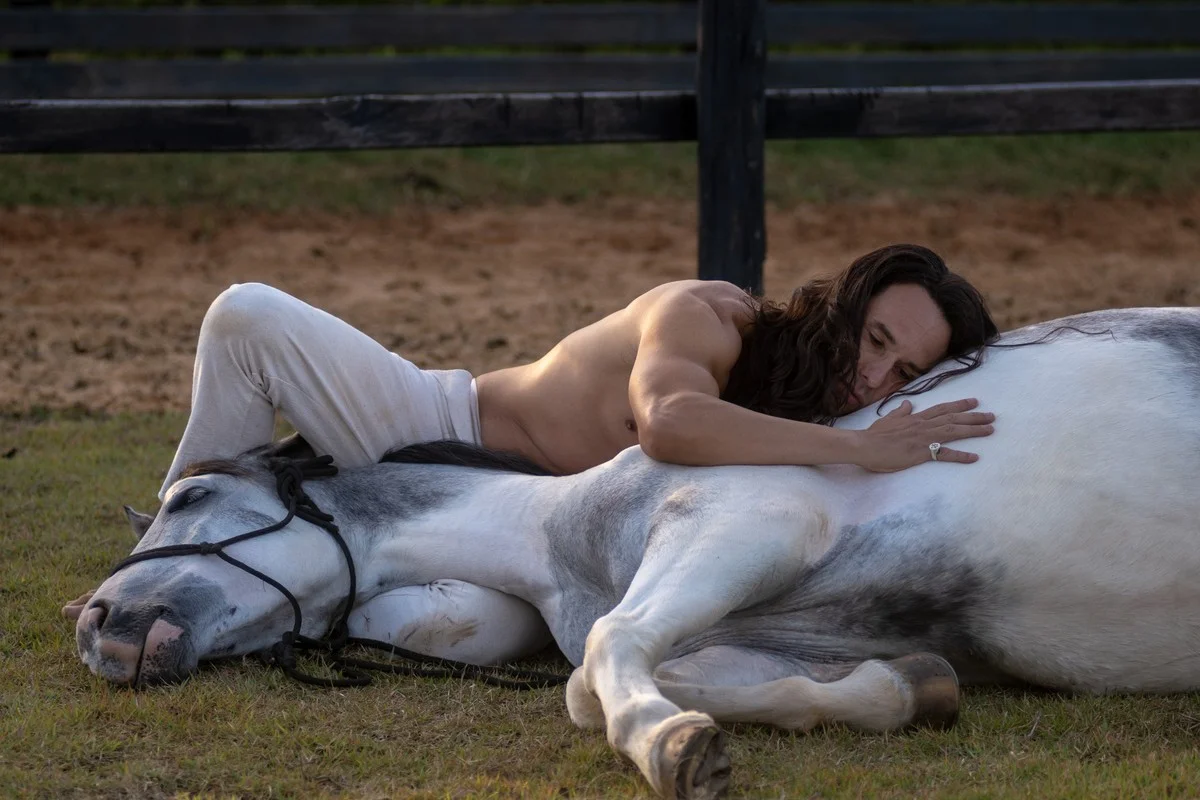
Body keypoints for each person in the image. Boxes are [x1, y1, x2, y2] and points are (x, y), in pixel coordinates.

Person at [70, 243, 999, 663]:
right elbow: (669, 423)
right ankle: (154, 562)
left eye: (904, 370)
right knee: (248, 316)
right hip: (442, 428)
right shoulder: (714, 319)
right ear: (844, 305)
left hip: (536, 549)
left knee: (438, 632)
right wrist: (861, 449)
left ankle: (265, 602)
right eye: (876, 339)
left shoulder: (820, 413)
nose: (875, 376)